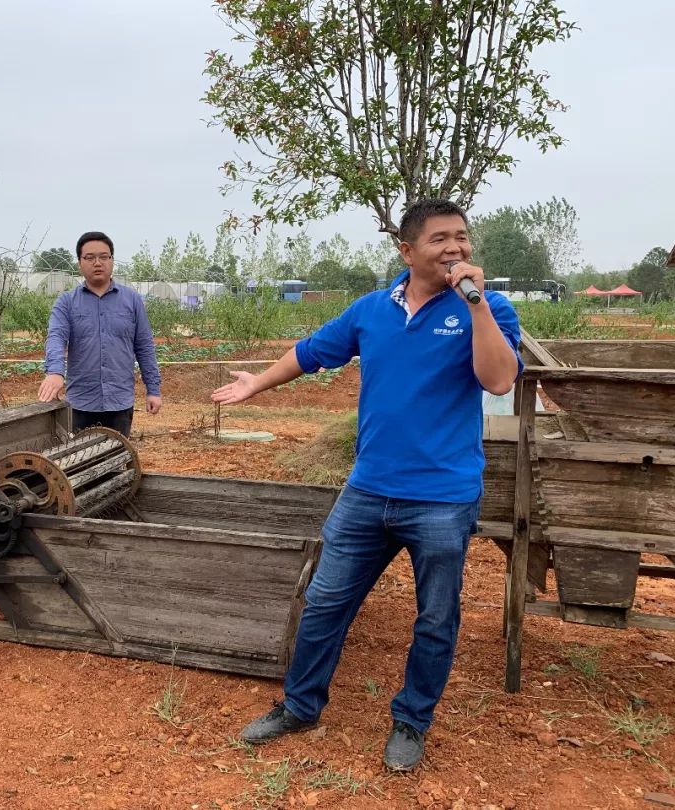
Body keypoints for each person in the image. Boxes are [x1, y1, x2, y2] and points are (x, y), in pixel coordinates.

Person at [211, 199, 521, 772]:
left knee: (434, 617)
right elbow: (310, 354)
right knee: (325, 602)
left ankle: (411, 722)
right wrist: (257, 384)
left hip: (443, 498)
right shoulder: (372, 311)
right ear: (407, 251)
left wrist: (473, 304)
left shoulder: (491, 307)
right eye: (440, 239)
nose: (455, 248)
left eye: (462, 237)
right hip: (367, 491)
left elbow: (498, 378)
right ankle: (300, 706)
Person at [39, 231, 162, 436]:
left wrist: (153, 390)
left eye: (104, 257)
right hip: (80, 402)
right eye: (90, 257)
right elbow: (56, 337)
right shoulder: (66, 302)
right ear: (80, 263)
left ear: (112, 260)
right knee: (78, 462)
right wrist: (55, 372)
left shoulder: (132, 301)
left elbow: (144, 346)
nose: (97, 262)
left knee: (117, 459)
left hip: (119, 401)